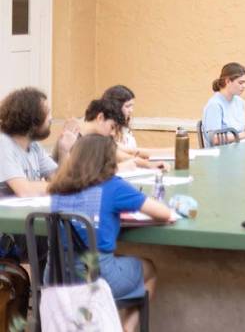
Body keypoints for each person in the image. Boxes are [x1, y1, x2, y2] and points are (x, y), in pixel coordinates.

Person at [49, 134, 171, 332]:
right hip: (96, 279)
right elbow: (163, 213)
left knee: (112, 258)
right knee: (148, 269)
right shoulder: (113, 186)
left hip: (57, 276)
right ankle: (127, 328)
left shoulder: (58, 188)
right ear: (109, 160)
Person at [0, 87, 59, 197]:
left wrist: (65, 150)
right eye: (47, 112)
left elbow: (59, 177)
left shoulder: (34, 146)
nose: (51, 118)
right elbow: (24, 190)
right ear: (31, 118)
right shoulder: (3, 145)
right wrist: (58, 186)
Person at [202, 62, 245, 144]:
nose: (244, 86)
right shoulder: (215, 105)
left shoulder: (240, 102)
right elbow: (214, 139)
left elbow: (237, 127)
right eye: (240, 83)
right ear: (228, 81)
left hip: (239, 150)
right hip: (221, 154)